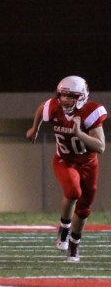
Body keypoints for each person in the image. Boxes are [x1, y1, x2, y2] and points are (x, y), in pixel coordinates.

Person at [26, 75, 107, 263]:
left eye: (71, 96)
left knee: (84, 208)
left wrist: (79, 133)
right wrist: (35, 128)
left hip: (88, 164)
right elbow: (42, 108)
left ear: (82, 96)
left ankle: (74, 244)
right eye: (62, 95)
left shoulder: (91, 112)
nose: (65, 100)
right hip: (64, 160)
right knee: (73, 191)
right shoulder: (54, 106)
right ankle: (64, 228)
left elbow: (100, 147)